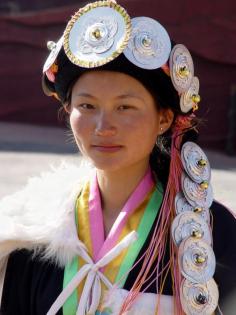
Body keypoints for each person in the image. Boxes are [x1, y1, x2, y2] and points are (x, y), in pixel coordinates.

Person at [0, 1, 235, 314]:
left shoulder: (206, 230)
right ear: (68, 111)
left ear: (164, 118)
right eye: (87, 106)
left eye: (125, 107)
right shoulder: (32, 229)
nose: (103, 127)